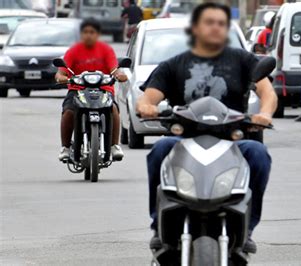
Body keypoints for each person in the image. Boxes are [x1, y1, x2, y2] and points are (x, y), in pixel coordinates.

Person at [136, 2, 277, 254]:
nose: (215, 28)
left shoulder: (243, 60)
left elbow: (267, 92)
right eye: (209, 23)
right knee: (159, 149)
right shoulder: (173, 64)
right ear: (196, 29)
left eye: (221, 24)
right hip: (185, 140)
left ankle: (248, 228)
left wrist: (264, 114)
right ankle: (159, 223)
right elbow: (149, 97)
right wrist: (147, 106)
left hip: (233, 140)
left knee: (258, 153)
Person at [56, 18, 127, 161]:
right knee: (69, 111)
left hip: (103, 90)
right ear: (81, 34)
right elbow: (61, 73)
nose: (88, 35)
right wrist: (61, 77)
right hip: (78, 90)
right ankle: (66, 147)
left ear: (98, 34)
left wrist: (119, 75)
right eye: (85, 32)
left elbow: (114, 69)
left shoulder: (106, 50)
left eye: (92, 32)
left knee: (112, 109)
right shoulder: (73, 51)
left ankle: (114, 146)